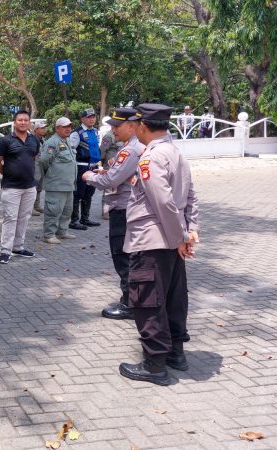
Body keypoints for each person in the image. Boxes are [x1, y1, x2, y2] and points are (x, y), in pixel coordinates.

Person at [116, 103, 199, 386]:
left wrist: (181, 238)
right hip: (172, 240)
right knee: (174, 299)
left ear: (142, 125)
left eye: (136, 123)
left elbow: (163, 201)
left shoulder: (150, 157)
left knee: (148, 302)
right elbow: (190, 197)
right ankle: (176, 354)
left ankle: (154, 365)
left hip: (153, 241)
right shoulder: (175, 152)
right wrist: (188, 233)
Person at [83, 107, 146, 321]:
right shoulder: (136, 147)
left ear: (132, 126)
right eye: (112, 125)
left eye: (117, 126)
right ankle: (134, 300)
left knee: (123, 257)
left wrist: (89, 177)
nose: (113, 129)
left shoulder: (131, 150)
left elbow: (110, 181)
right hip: (130, 207)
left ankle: (130, 303)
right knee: (129, 256)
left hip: (124, 209)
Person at [0, 110, 39, 263]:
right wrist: (7, 173)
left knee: (24, 218)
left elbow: (33, 157)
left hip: (29, 187)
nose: (23, 122)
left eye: (26, 120)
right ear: (15, 122)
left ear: (29, 122)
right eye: (20, 120)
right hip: (11, 187)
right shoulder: (5, 141)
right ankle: (6, 250)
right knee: (10, 218)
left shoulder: (34, 140)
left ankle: (18, 247)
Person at [38, 117, 77, 244]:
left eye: (69, 126)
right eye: (65, 126)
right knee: (53, 210)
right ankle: (48, 235)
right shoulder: (52, 142)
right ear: (57, 128)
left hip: (68, 184)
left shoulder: (67, 141)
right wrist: (51, 174)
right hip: (56, 184)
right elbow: (44, 161)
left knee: (67, 210)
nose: (68, 129)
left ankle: (62, 231)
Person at [69, 108, 102, 230]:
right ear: (82, 119)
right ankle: (74, 220)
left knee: (89, 193)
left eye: (93, 116)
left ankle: (85, 218)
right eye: (89, 117)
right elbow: (71, 151)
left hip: (94, 167)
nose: (92, 119)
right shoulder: (76, 133)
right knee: (78, 194)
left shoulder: (96, 132)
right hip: (81, 167)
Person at [31, 121, 48, 216]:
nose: (44, 129)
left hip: (41, 164)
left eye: (44, 128)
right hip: (34, 164)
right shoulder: (32, 139)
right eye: (42, 128)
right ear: (36, 130)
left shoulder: (43, 139)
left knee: (40, 185)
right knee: (34, 185)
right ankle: (31, 207)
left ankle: (37, 205)